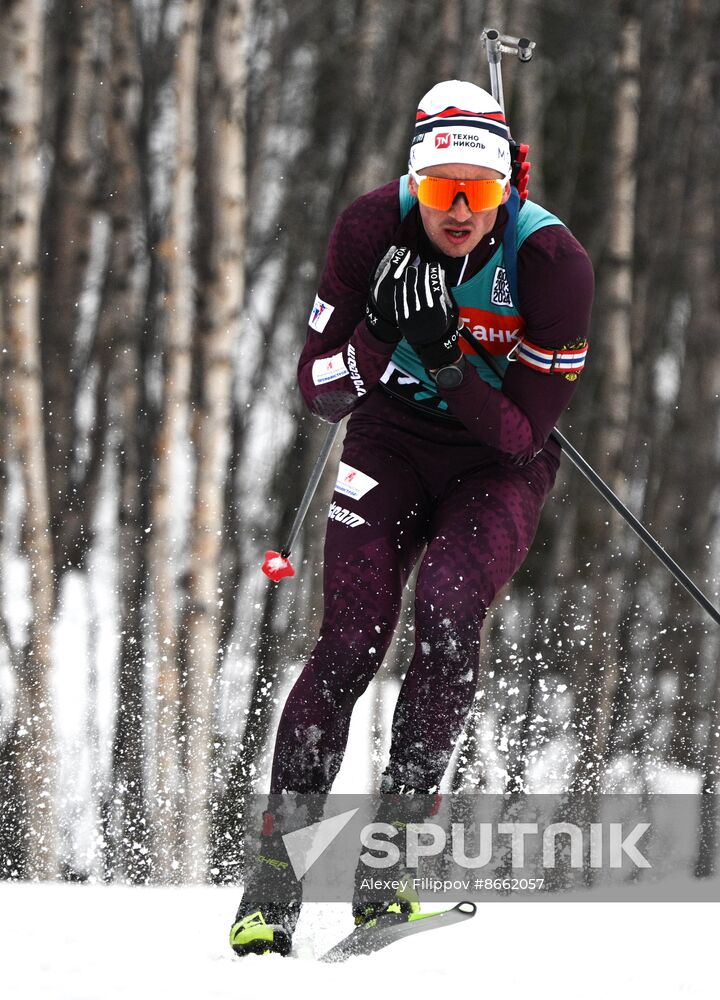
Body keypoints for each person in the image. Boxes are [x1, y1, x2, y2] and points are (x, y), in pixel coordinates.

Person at [229, 79, 594, 957]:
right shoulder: (366, 229)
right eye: (439, 191)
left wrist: (442, 352)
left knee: (445, 613)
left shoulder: (552, 264)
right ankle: (272, 895)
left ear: (511, 184)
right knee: (350, 642)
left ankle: (385, 879)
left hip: (494, 465)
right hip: (388, 441)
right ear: (413, 183)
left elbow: (518, 437)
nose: (460, 210)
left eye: (480, 191)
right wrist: (379, 339)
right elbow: (320, 394)